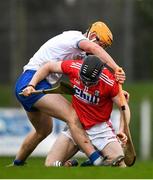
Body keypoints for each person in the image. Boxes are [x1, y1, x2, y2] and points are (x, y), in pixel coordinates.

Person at [13, 21, 125, 166]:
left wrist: (118, 92)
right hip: (34, 81)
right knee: (73, 116)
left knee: (43, 131)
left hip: (30, 83)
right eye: (101, 45)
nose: (100, 49)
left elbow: (97, 75)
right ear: (93, 35)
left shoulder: (80, 53)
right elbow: (92, 47)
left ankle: (17, 164)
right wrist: (116, 68)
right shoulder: (76, 38)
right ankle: (95, 158)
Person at [21, 55, 130, 167]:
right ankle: (76, 165)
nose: (86, 85)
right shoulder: (73, 66)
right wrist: (31, 85)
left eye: (90, 82)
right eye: (83, 80)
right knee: (50, 165)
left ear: (100, 74)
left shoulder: (109, 82)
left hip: (99, 129)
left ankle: (94, 162)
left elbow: (124, 107)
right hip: (75, 126)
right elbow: (47, 66)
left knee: (120, 163)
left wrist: (122, 129)